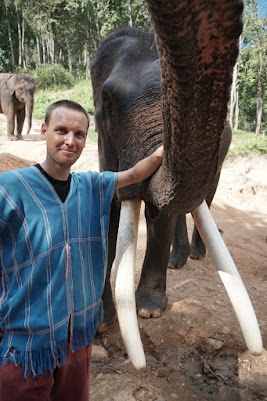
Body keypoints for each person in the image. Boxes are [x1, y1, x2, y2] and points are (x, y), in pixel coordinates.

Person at [0, 99, 163, 401]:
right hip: (27, 343)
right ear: (44, 130)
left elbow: (134, 174)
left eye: (79, 134)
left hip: (77, 338)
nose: (69, 141)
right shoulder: (9, 188)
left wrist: (164, 150)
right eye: (61, 131)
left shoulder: (92, 185)